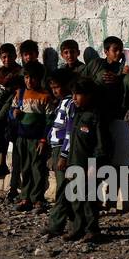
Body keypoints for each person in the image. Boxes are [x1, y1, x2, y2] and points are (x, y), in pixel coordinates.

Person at [45, 77, 111, 243]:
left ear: (88, 95)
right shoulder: (76, 114)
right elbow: (70, 139)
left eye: (78, 94)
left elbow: (102, 144)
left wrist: (95, 164)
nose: (74, 98)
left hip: (89, 165)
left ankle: (92, 230)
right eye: (73, 94)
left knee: (88, 199)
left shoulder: (96, 116)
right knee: (75, 198)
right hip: (75, 162)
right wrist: (65, 158)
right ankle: (77, 229)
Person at [11, 61, 52, 212]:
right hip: (22, 138)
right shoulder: (20, 93)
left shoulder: (45, 96)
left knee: (37, 169)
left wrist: (43, 139)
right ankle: (25, 197)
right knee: (25, 168)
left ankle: (38, 199)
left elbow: (49, 121)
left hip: (36, 140)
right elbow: (12, 110)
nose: (29, 81)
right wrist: (14, 113)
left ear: (39, 78)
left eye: (32, 78)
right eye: (26, 77)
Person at [0, 43, 23, 185]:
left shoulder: (19, 72)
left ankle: (1, 162)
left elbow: (14, 92)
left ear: (15, 56)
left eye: (10, 56)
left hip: (10, 104)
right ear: (1, 58)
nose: (7, 59)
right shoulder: (0, 72)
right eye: (4, 57)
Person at [46, 69, 76, 205]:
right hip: (56, 147)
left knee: (63, 185)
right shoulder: (61, 102)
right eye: (52, 88)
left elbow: (69, 131)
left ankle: (60, 214)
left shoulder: (70, 104)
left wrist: (64, 154)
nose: (54, 91)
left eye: (57, 87)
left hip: (63, 147)